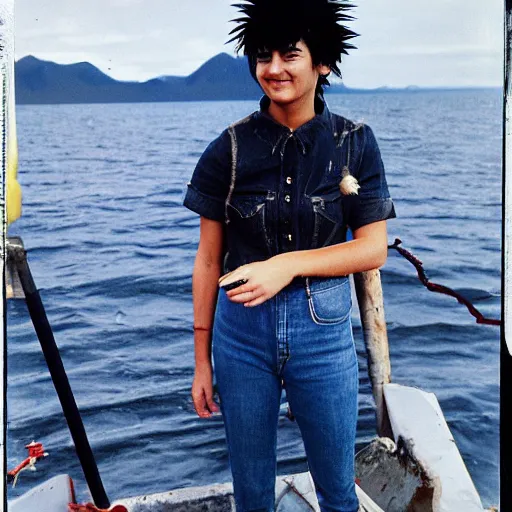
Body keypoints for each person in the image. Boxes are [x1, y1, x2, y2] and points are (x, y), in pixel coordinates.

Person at [183, 1, 396, 510]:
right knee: (251, 493)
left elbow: (373, 248)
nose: (273, 68)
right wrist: (201, 362)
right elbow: (209, 261)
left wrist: (288, 264)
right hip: (241, 334)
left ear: (321, 63)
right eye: (262, 56)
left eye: (289, 54)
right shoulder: (228, 149)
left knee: (339, 491)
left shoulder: (355, 143)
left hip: (322, 331)